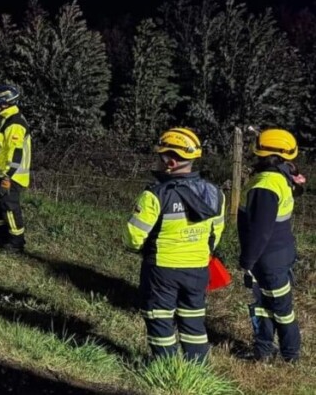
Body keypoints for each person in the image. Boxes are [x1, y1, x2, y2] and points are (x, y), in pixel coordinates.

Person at [124, 128, 225, 361]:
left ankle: (167, 368)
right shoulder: (216, 194)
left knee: (159, 320)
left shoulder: (154, 195)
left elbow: (133, 236)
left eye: (160, 156)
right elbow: (216, 233)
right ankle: (197, 371)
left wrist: (137, 249)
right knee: (193, 322)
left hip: (162, 269)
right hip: (199, 269)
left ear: (169, 161)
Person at [239, 129, 304, 363]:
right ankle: (270, 352)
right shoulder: (282, 176)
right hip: (281, 251)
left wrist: (247, 261)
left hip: (267, 258)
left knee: (276, 306)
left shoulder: (266, 185)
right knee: (271, 304)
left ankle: (284, 354)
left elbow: (260, 231)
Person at [0, 84, 31, 252]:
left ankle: (17, 241)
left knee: (10, 207)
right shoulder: (6, 120)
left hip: (11, 176)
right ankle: (1, 236)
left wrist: (8, 176)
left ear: (6, 103)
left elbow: (15, 153)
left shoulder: (15, 123)